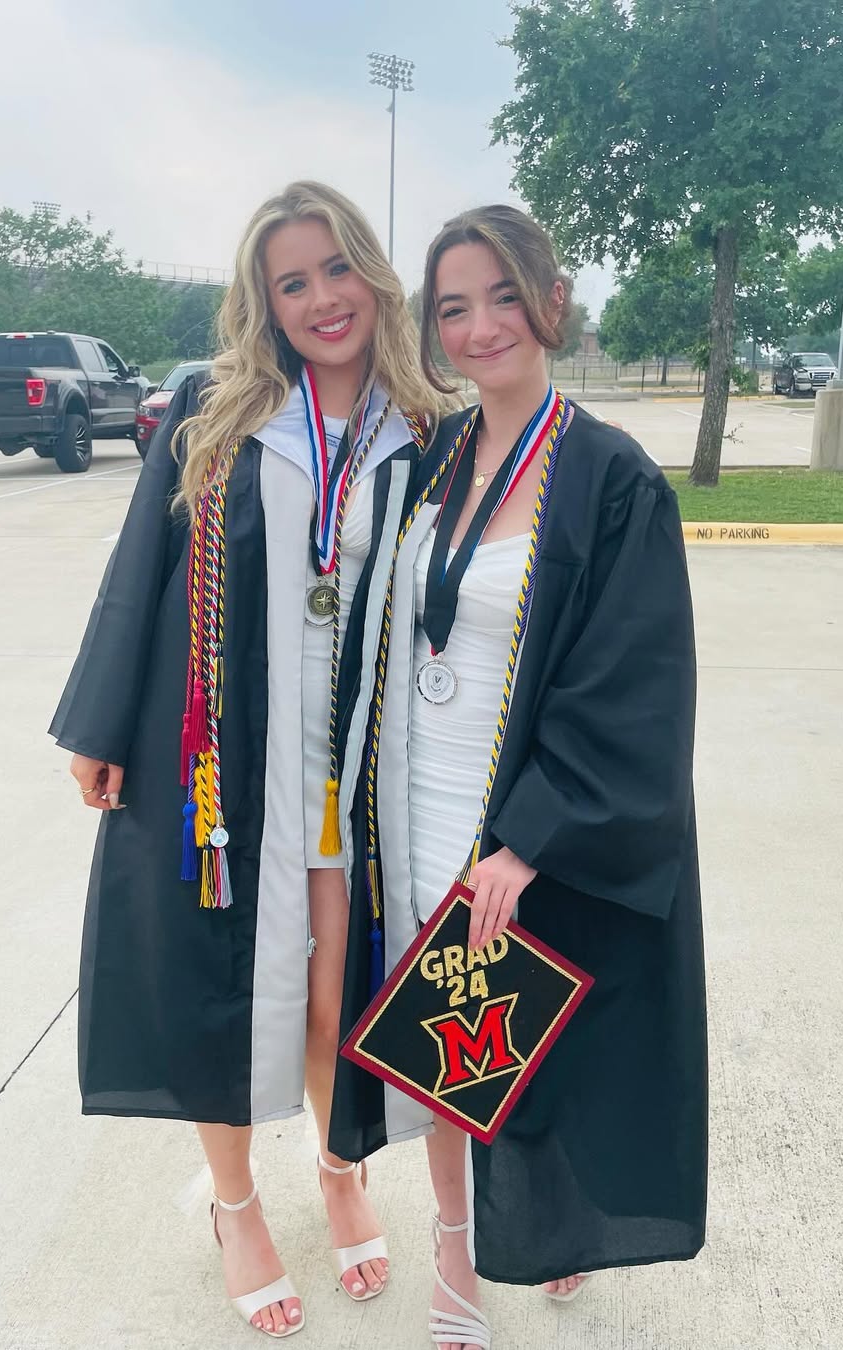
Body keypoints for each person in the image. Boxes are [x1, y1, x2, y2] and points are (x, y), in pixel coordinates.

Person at [49, 181, 445, 1340]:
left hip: (357, 766)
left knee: (336, 996)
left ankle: (338, 1167)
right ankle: (235, 1206)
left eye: (337, 269)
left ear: (374, 277)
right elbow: (139, 571)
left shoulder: (427, 430)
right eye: (292, 282)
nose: (322, 299)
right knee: (217, 988)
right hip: (226, 761)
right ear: (264, 303)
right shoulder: (216, 414)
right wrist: (101, 727)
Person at [330, 205, 708, 1350]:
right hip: (420, 799)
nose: (481, 326)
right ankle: (457, 1248)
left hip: (524, 816)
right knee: (450, 1043)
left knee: (535, 1044)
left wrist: (530, 838)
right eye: (454, 307)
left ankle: (546, 1225)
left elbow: (631, 677)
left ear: (550, 300)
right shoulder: (437, 453)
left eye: (503, 296)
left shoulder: (609, 476)